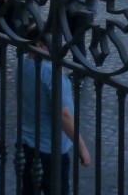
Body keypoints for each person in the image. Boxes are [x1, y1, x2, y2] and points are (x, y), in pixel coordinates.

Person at [19, 30, 91, 194]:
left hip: (27, 142)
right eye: (52, 43)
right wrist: (82, 147)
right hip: (50, 148)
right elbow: (64, 115)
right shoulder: (51, 72)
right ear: (39, 45)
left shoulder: (21, 61)